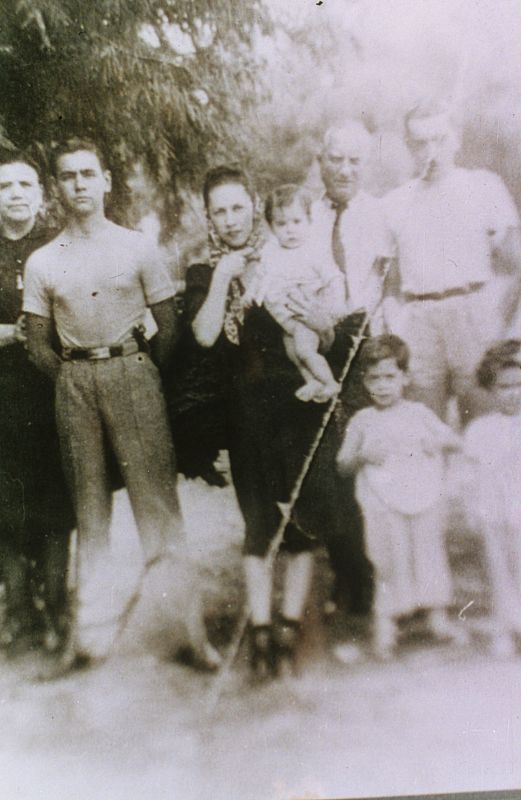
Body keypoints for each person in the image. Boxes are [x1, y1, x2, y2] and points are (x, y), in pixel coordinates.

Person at [23, 138, 219, 673]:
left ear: (106, 180)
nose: (79, 184)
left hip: (132, 373)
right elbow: (37, 342)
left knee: (159, 512)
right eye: (68, 176)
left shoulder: (137, 247)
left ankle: (192, 636)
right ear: (56, 187)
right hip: (75, 382)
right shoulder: (43, 260)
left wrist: (140, 369)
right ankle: (85, 642)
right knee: (90, 516)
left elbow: (169, 324)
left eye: (88, 173)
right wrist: (71, 377)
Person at [383, 102, 521, 422]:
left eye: (440, 139)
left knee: (485, 423)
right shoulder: (396, 202)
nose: (431, 152)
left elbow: (516, 264)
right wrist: (397, 328)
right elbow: (389, 283)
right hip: (418, 322)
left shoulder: (483, 186)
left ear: (456, 138)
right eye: (420, 143)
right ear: (408, 146)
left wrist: (502, 325)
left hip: (474, 316)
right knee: (423, 427)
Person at [337, 335, 465, 659]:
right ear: (364, 381)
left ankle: (437, 618)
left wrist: (436, 443)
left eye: (390, 376)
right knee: (387, 559)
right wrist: (363, 455)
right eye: (374, 378)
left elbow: (453, 441)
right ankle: (387, 624)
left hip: (421, 494)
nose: (382, 386)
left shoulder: (419, 413)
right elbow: (342, 464)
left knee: (428, 553)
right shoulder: (362, 421)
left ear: (405, 377)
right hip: (381, 500)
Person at [0, 150, 74, 654]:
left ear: (42, 194)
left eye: (25, 184)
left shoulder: (58, 246)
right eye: (5, 186)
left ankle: (56, 606)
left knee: (54, 503)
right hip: (2, 395)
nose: (16, 194)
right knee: (5, 506)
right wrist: (10, 333)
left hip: (50, 391)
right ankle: (18, 608)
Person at [245, 183, 346, 402]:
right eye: (281, 224)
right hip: (286, 321)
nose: (290, 229)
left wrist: (338, 303)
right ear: (271, 226)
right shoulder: (270, 251)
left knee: (304, 351)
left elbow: (334, 276)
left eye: (296, 221)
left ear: (309, 221)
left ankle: (329, 382)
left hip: (305, 317)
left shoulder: (313, 251)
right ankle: (312, 381)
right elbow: (260, 276)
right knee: (293, 353)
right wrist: (250, 294)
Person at [462, 340, 521, 657]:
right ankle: (506, 628)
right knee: (499, 568)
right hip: (494, 509)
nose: (513, 393)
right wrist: (473, 508)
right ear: (490, 389)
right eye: (504, 387)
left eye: (519, 385)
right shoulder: (480, 429)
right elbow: (470, 475)